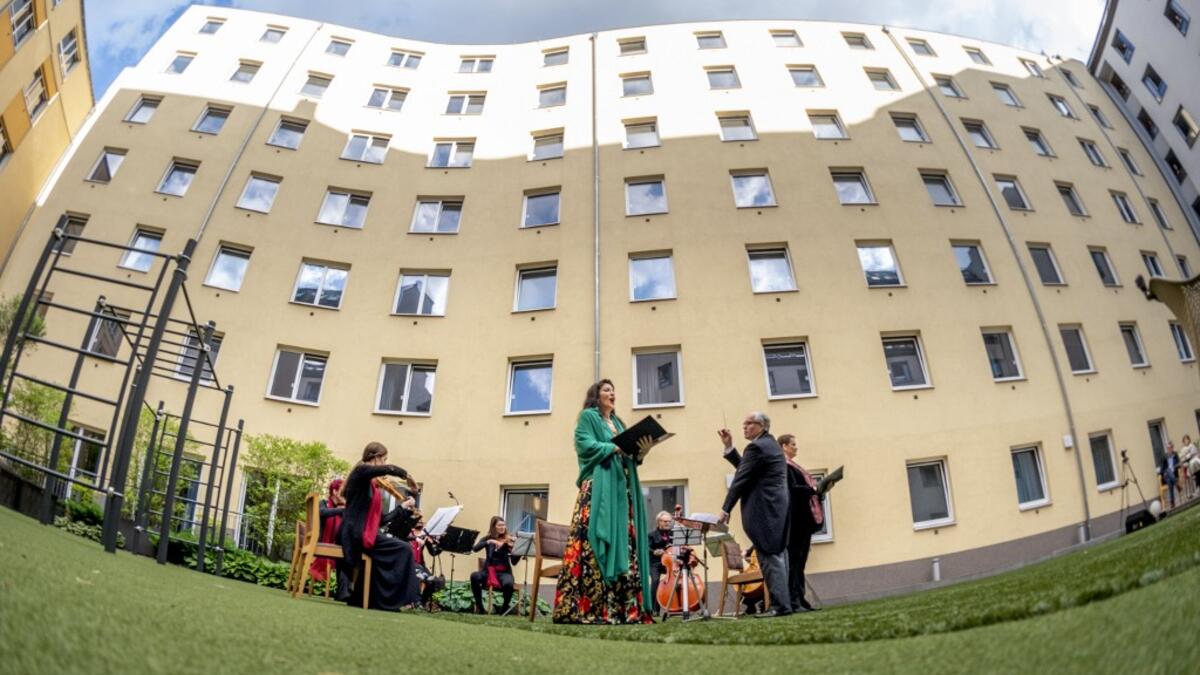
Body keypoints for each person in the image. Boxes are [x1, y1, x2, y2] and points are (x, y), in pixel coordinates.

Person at [553, 379, 656, 624]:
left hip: (622, 492)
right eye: (607, 390)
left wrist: (641, 452)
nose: (612, 393)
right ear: (596, 396)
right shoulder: (588, 417)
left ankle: (623, 610)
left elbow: (628, 454)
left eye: (613, 390)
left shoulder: (619, 423)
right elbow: (584, 444)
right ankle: (592, 608)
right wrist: (614, 447)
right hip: (598, 488)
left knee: (626, 546)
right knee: (593, 543)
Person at [719, 412, 792, 618]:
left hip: (765, 510)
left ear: (762, 426)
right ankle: (783, 604)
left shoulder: (757, 446)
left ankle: (780, 606)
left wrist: (725, 509)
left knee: (769, 556)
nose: (744, 427)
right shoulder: (768, 445)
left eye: (749, 423)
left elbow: (741, 478)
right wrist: (729, 447)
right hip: (777, 508)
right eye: (744, 423)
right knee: (776, 555)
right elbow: (747, 468)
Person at [336, 441, 422, 610]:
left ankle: (373, 599)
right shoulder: (361, 471)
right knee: (404, 549)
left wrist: (402, 508)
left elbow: (381, 520)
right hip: (354, 534)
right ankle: (399, 601)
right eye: (383, 459)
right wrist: (407, 476)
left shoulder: (369, 485)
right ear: (375, 458)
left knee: (402, 548)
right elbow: (388, 469)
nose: (384, 463)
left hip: (363, 532)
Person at [779, 434, 823, 612]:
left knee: (801, 562)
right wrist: (812, 489)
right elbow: (791, 489)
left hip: (804, 520)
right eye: (793, 445)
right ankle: (793, 601)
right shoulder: (784, 466)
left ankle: (800, 599)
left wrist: (819, 492)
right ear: (783, 446)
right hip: (796, 520)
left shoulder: (794, 466)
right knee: (795, 561)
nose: (796, 447)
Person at [470, 516, 521, 614]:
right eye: (500, 525)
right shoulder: (487, 538)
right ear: (493, 526)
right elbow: (475, 548)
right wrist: (489, 541)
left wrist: (519, 551)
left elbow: (514, 562)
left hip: (504, 572)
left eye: (504, 525)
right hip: (488, 571)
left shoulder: (508, 540)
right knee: (474, 576)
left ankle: (504, 609)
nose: (503, 527)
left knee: (509, 584)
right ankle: (480, 608)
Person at [308, 478, 345, 586]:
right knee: (348, 554)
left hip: (333, 543)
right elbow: (322, 512)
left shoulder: (339, 508)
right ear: (334, 492)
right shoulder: (323, 503)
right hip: (319, 542)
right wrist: (342, 510)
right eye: (342, 492)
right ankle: (344, 590)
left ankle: (343, 590)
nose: (344, 495)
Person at [646, 510, 674, 612]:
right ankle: (654, 609)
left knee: (677, 579)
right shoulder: (651, 535)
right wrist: (654, 551)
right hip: (655, 562)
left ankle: (675, 607)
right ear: (659, 522)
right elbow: (647, 548)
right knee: (655, 581)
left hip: (670, 562)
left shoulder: (673, 534)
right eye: (665, 521)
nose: (667, 523)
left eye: (669, 521)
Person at [1159, 442, 1180, 510]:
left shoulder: (1175, 454)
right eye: (1168, 448)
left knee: (1170, 483)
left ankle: (1172, 503)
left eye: (1170, 448)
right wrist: (1164, 472)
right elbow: (1161, 469)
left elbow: (1179, 463)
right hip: (1166, 474)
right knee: (1168, 470)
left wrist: (1174, 466)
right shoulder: (1165, 456)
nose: (1169, 449)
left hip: (1173, 474)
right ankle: (1177, 484)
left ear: (1172, 448)